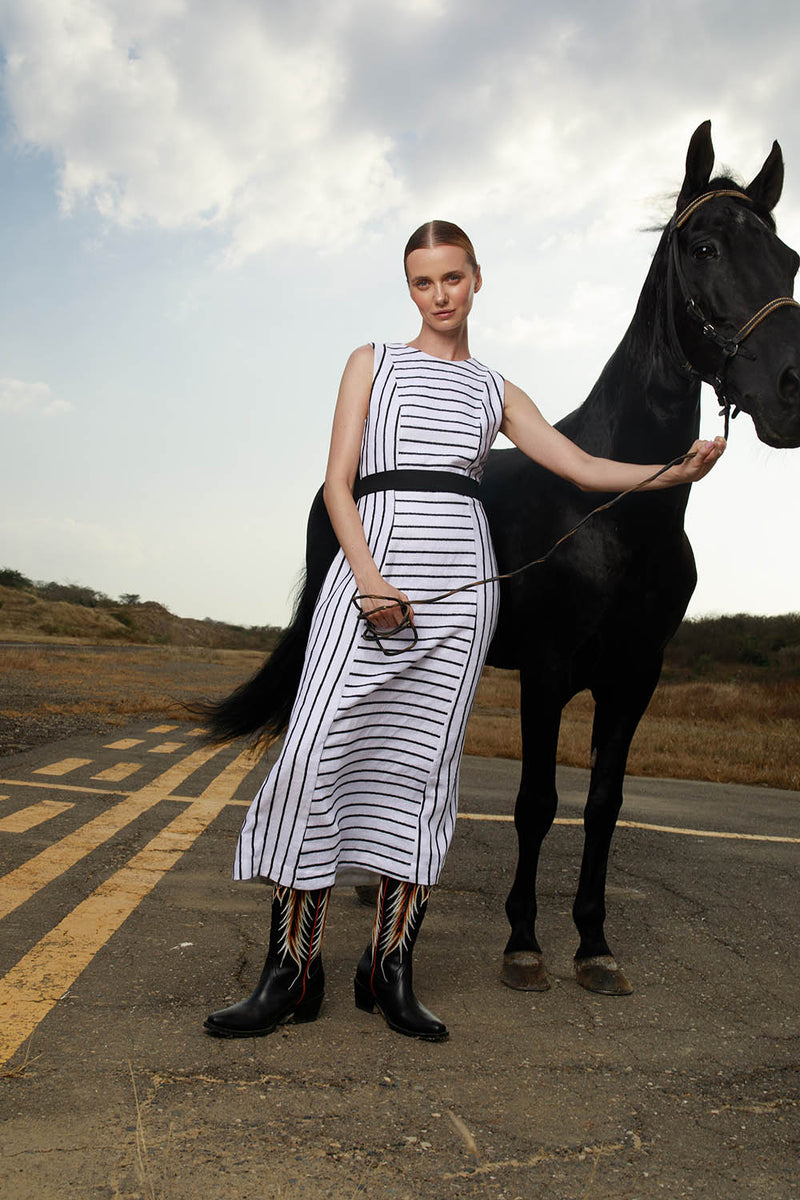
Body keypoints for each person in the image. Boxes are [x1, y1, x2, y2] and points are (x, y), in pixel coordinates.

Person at [204, 220, 725, 1043]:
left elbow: (580, 466)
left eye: (452, 278)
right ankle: (292, 970)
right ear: (409, 290)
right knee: (310, 755)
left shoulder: (495, 389)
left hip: (460, 589)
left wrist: (674, 470)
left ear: (476, 279)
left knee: (423, 774)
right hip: (371, 571)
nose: (439, 296)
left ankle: (390, 968)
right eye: (422, 282)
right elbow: (338, 485)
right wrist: (368, 578)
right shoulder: (372, 362)